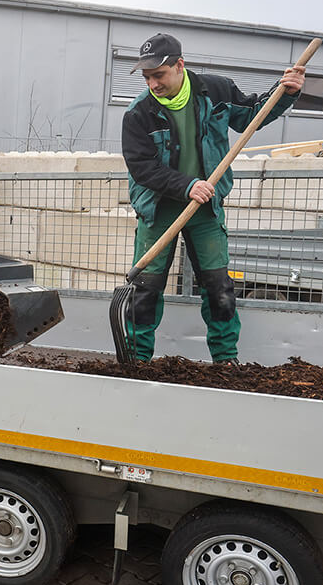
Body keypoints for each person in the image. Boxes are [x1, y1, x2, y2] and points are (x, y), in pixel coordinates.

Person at [121, 33, 306, 364]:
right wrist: (187, 185)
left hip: (205, 209)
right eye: (147, 77)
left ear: (179, 65)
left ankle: (225, 360)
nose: (153, 83)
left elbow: (252, 114)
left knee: (218, 287)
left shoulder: (215, 91)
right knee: (146, 289)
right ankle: (137, 361)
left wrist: (286, 94)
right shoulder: (139, 113)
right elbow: (142, 168)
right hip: (159, 207)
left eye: (159, 75)